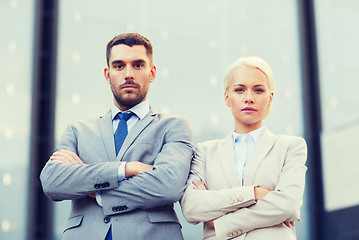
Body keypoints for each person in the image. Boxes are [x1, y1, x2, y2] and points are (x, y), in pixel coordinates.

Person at [40, 33, 193, 240]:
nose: (128, 74)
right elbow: (53, 182)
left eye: (138, 65)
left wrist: (95, 190)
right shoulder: (78, 131)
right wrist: (128, 168)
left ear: (152, 72)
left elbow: (168, 186)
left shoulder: (173, 126)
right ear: (107, 74)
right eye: (119, 66)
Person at [180, 56, 307, 239]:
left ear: (270, 98)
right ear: (227, 97)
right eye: (240, 90)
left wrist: (218, 222)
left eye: (258, 90)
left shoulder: (290, 147)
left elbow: (288, 205)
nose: (249, 98)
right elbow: (192, 208)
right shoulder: (205, 152)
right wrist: (254, 193)